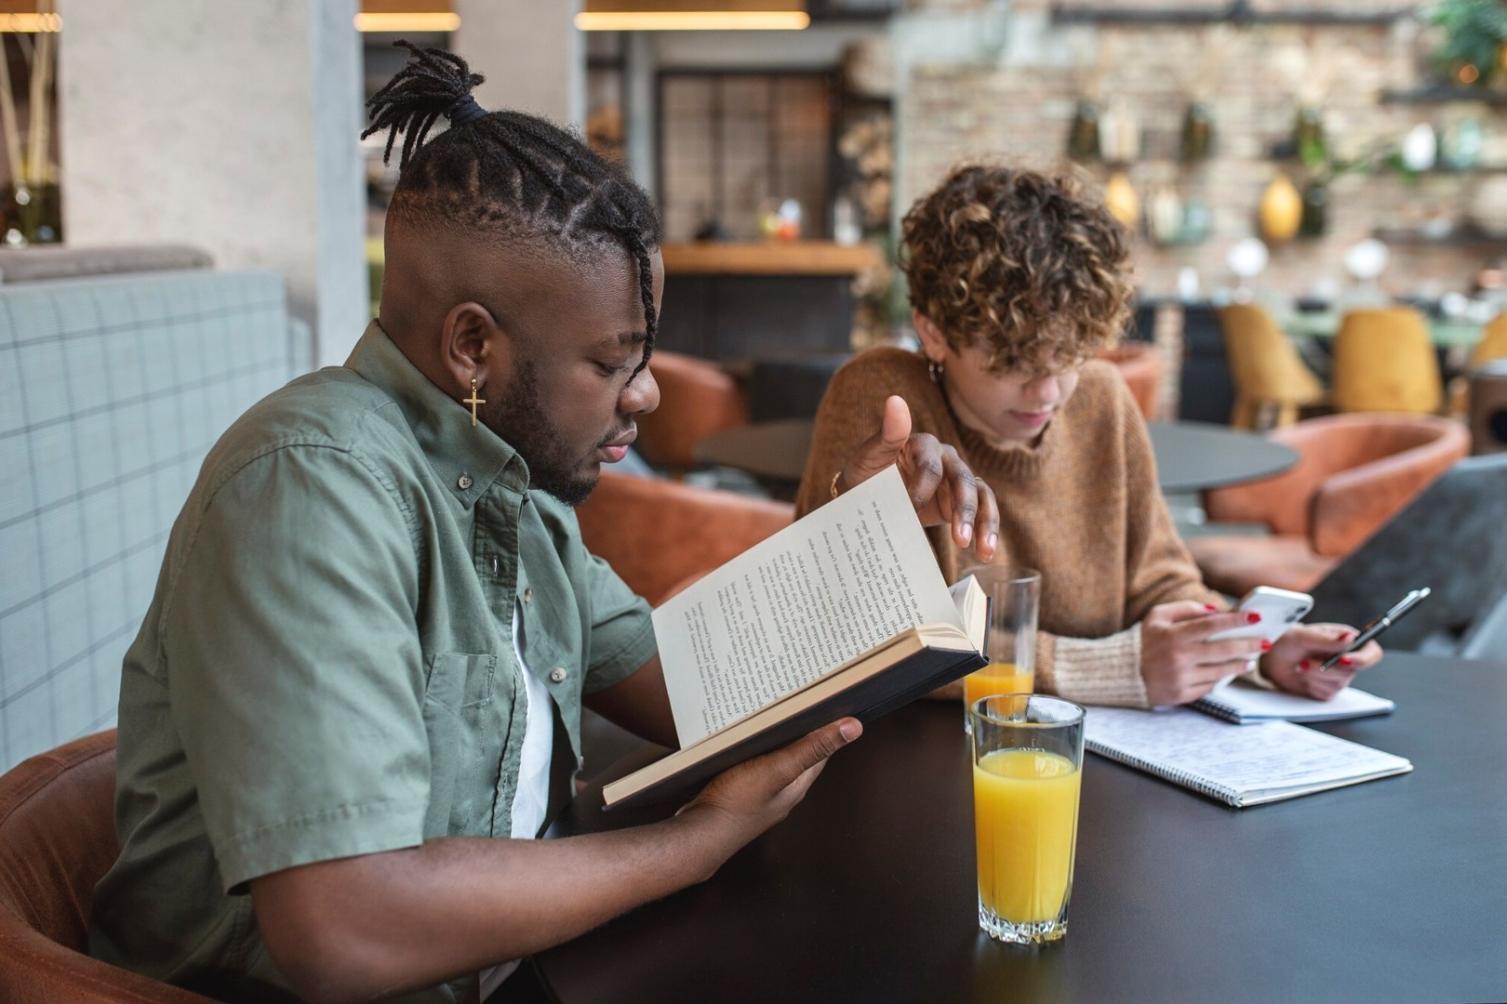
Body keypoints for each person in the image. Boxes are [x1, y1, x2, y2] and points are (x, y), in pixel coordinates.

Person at [86, 46, 996, 1003]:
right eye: (610, 364)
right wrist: (689, 846)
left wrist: (855, 527)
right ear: (473, 345)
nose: (645, 394)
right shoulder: (311, 488)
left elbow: (706, 691)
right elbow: (343, 923)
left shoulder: (512, 497)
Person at [796, 164, 1381, 709]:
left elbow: (1159, 581)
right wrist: (1116, 669)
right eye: (1015, 365)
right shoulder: (885, 395)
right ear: (934, 332)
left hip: (1089, 763)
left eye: (1071, 358)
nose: (1048, 393)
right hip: (927, 766)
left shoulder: (1102, 399)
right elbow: (863, 642)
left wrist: (1252, 650)